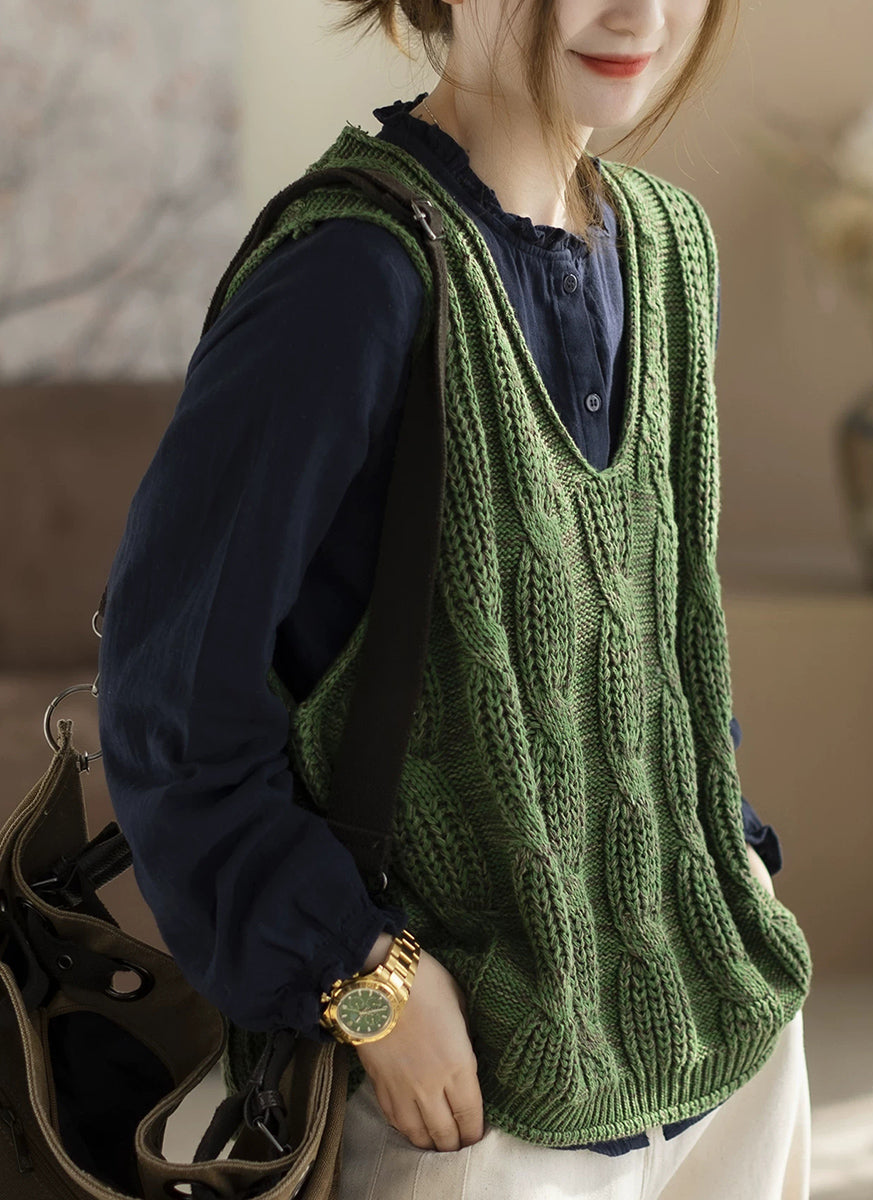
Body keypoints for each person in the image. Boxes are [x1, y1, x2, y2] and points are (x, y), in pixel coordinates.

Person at [97, 0, 814, 1196]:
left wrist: (733, 852)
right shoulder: (349, 275)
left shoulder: (670, 247)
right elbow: (167, 701)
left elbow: (662, 631)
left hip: (730, 1042)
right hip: (469, 1102)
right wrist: (364, 975)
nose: (639, 12)